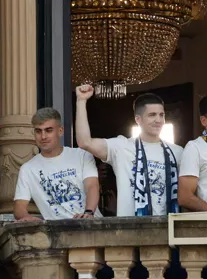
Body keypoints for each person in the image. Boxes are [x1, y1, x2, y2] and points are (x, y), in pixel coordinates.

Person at [75, 85, 183, 216]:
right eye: (152, 115)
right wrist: (81, 101)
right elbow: (85, 142)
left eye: (161, 115)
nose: (158, 120)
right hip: (130, 229)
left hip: (169, 228)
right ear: (138, 119)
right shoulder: (122, 147)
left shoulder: (177, 152)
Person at [13, 108, 100, 221]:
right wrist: (27, 218)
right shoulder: (28, 169)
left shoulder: (81, 155)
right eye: (38, 131)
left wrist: (88, 212)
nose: (43, 136)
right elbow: (19, 207)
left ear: (60, 131)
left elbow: (92, 186)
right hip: (56, 232)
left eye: (49, 130)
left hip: (91, 225)